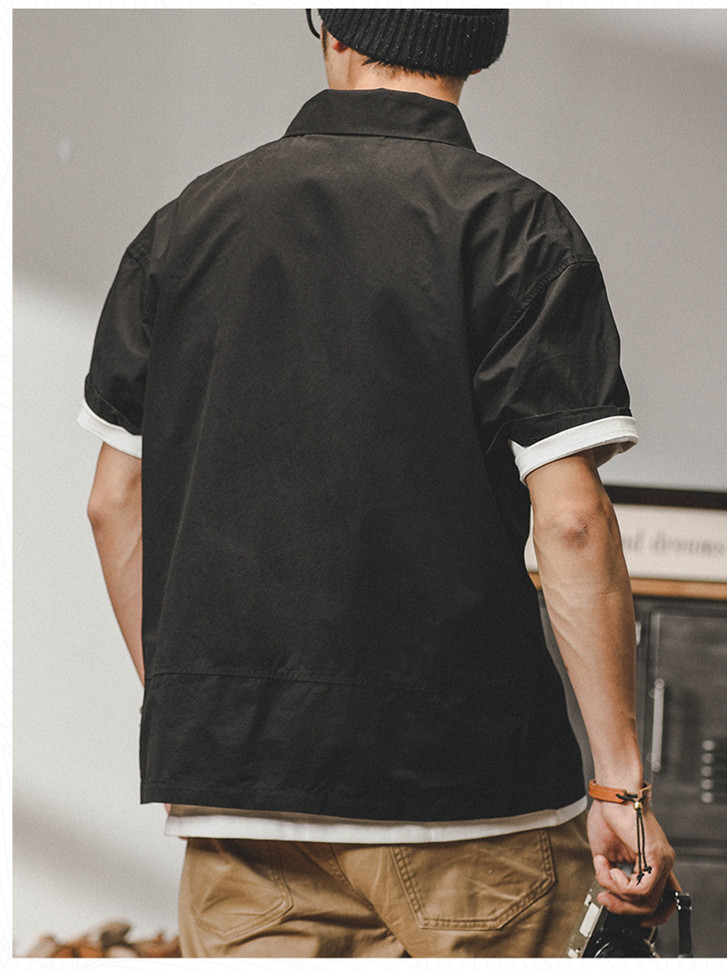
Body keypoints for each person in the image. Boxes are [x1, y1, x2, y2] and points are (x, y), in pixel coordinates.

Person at [78, 8, 676, 959]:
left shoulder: (184, 226)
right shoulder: (516, 226)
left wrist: (214, 716)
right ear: (479, 45)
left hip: (241, 809)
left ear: (333, 31)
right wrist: (621, 787)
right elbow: (571, 523)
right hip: (470, 797)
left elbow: (114, 503)